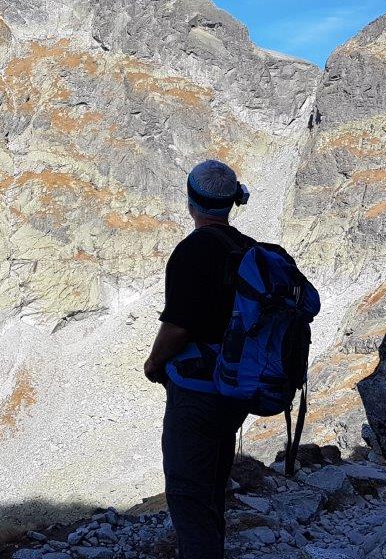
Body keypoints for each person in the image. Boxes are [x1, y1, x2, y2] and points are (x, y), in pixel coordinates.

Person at [143, 159, 253, 559]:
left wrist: (154, 364)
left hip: (197, 392)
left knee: (188, 495)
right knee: (212, 488)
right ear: (231, 202)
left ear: (191, 202)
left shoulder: (192, 252)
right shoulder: (248, 248)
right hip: (237, 388)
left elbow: (178, 326)